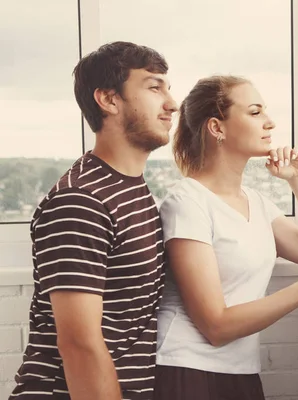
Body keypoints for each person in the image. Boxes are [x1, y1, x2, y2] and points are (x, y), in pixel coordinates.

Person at [153, 75, 298, 399]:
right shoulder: (186, 203)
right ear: (217, 128)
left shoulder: (255, 202)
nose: (270, 123)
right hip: (188, 373)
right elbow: (216, 326)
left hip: (240, 371)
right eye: (255, 112)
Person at [10, 41, 178, 400]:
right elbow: (79, 344)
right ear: (109, 100)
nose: (171, 104)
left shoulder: (128, 187)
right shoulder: (81, 201)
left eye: (168, 87)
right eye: (153, 87)